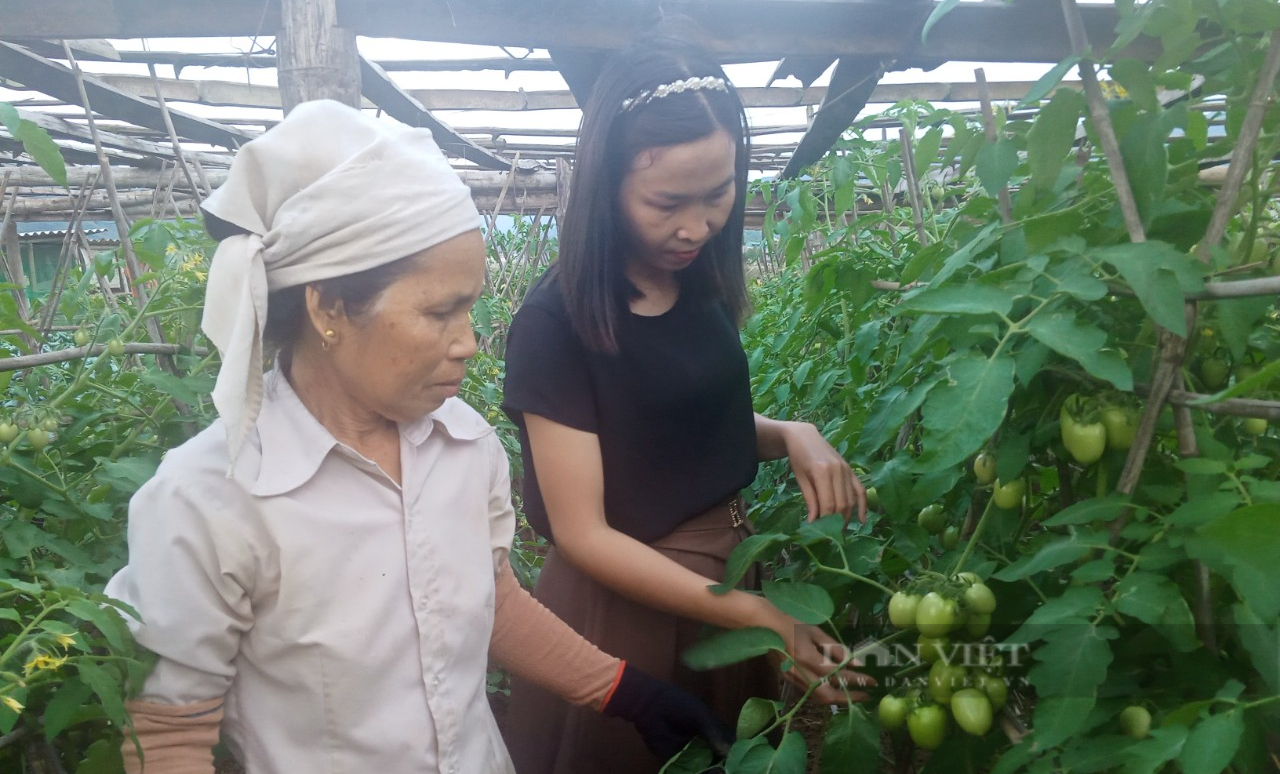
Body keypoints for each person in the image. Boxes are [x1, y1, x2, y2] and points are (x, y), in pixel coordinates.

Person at [103, 99, 732, 774]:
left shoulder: (464, 447)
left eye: (471, 305)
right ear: (329, 307)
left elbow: (488, 604)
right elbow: (169, 739)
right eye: (441, 311)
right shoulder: (211, 501)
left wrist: (626, 693)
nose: (469, 341)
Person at [501, 35, 874, 774]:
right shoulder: (556, 322)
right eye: (668, 202)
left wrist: (791, 433)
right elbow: (584, 534)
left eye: (719, 193)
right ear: (607, 184)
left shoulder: (695, 281)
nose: (698, 227)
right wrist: (756, 616)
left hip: (722, 583)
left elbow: (678, 431)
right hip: (626, 608)